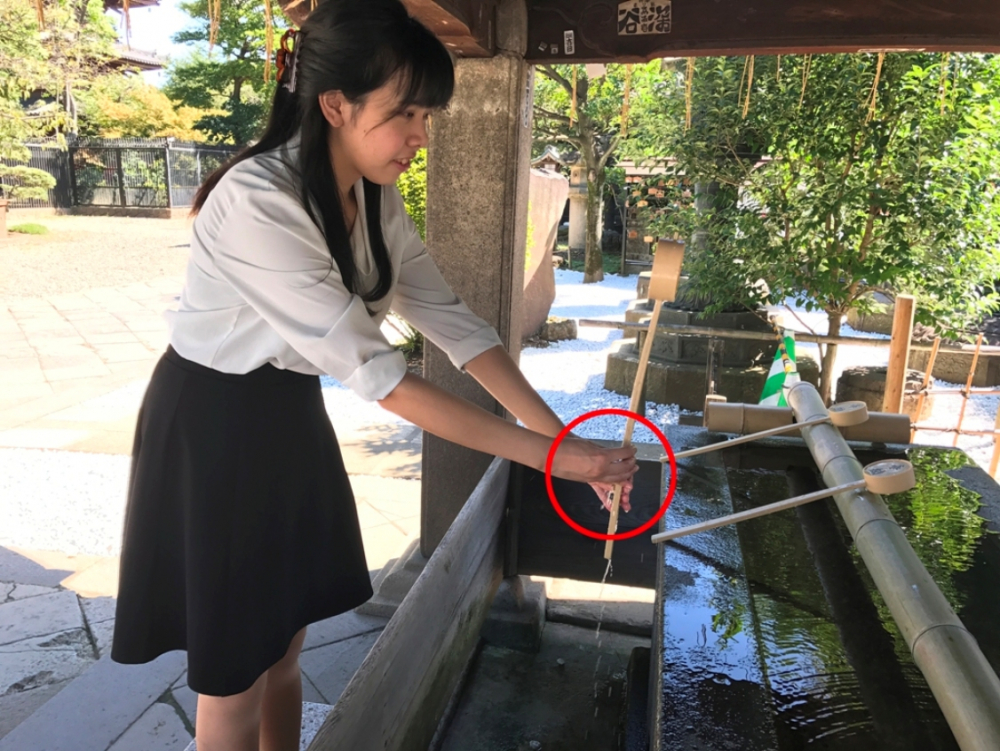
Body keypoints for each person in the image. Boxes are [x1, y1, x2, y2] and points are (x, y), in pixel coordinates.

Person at [110, 1, 637, 749]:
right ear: (335, 104)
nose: (421, 135)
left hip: (288, 416)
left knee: (286, 651)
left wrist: (565, 444)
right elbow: (384, 379)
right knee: (233, 678)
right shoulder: (258, 200)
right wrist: (558, 458)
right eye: (407, 114)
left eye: (427, 114)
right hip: (214, 426)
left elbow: (459, 329)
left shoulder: (373, 197)